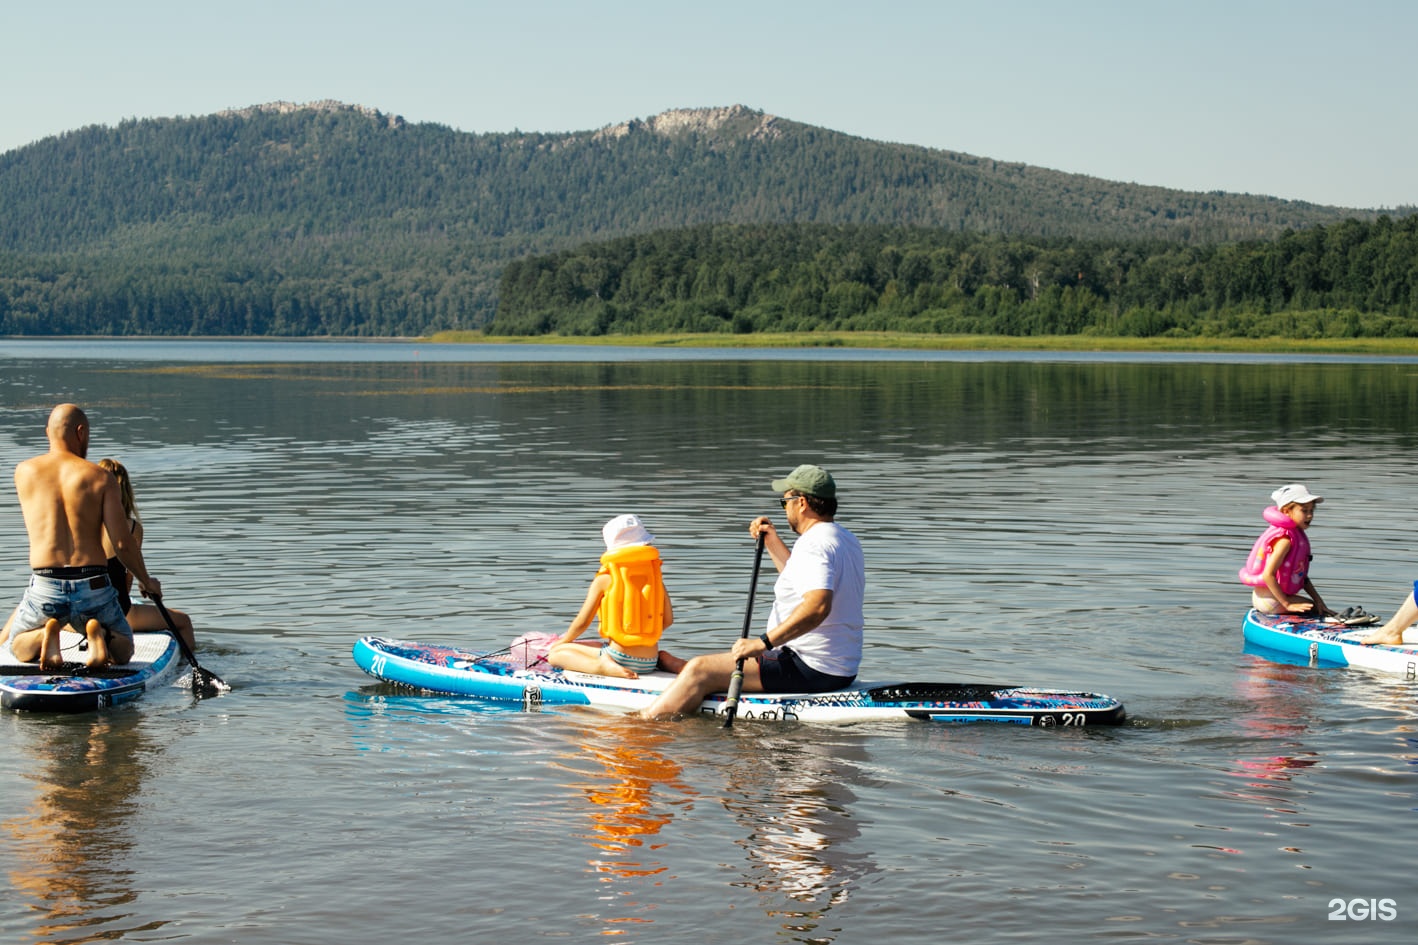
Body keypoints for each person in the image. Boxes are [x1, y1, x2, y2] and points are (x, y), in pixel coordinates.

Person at [639, 464, 865, 720]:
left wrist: (761, 643)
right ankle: (687, 670)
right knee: (705, 664)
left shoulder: (813, 544)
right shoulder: (845, 539)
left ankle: (642, 728)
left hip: (808, 666)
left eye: (785, 501)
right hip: (841, 667)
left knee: (700, 670)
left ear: (801, 503)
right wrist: (771, 541)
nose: (785, 509)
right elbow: (800, 581)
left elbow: (818, 607)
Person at [5, 404, 160, 669]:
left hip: (46, 584)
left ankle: (45, 633)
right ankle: (99, 634)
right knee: (124, 649)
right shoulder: (100, 477)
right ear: (81, 432)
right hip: (93, 585)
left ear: (47, 433)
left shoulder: (24, 472)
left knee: (16, 644)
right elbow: (122, 544)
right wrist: (146, 581)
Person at [547, 514, 679, 679]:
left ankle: (601, 666)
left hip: (620, 658)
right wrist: (642, 636)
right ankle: (667, 660)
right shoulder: (656, 580)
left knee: (557, 654)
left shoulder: (605, 579)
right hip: (650, 661)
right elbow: (667, 621)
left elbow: (582, 623)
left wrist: (562, 641)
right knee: (596, 645)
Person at [96, 458, 197, 650]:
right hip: (119, 611)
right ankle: (184, 669)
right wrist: (147, 582)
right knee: (183, 622)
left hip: (80, 609)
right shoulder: (132, 528)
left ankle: (92, 629)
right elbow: (126, 584)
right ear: (124, 491)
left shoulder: (78, 525)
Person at [1238, 483, 1330, 617]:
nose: (1310, 516)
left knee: (1318, 607)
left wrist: (1320, 601)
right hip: (1271, 600)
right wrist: (1287, 604)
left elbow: (1302, 577)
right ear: (1286, 511)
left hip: (1269, 597)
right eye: (1304, 511)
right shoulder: (1284, 541)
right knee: (1313, 608)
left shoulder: (1296, 537)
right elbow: (1268, 575)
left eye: (1311, 510)